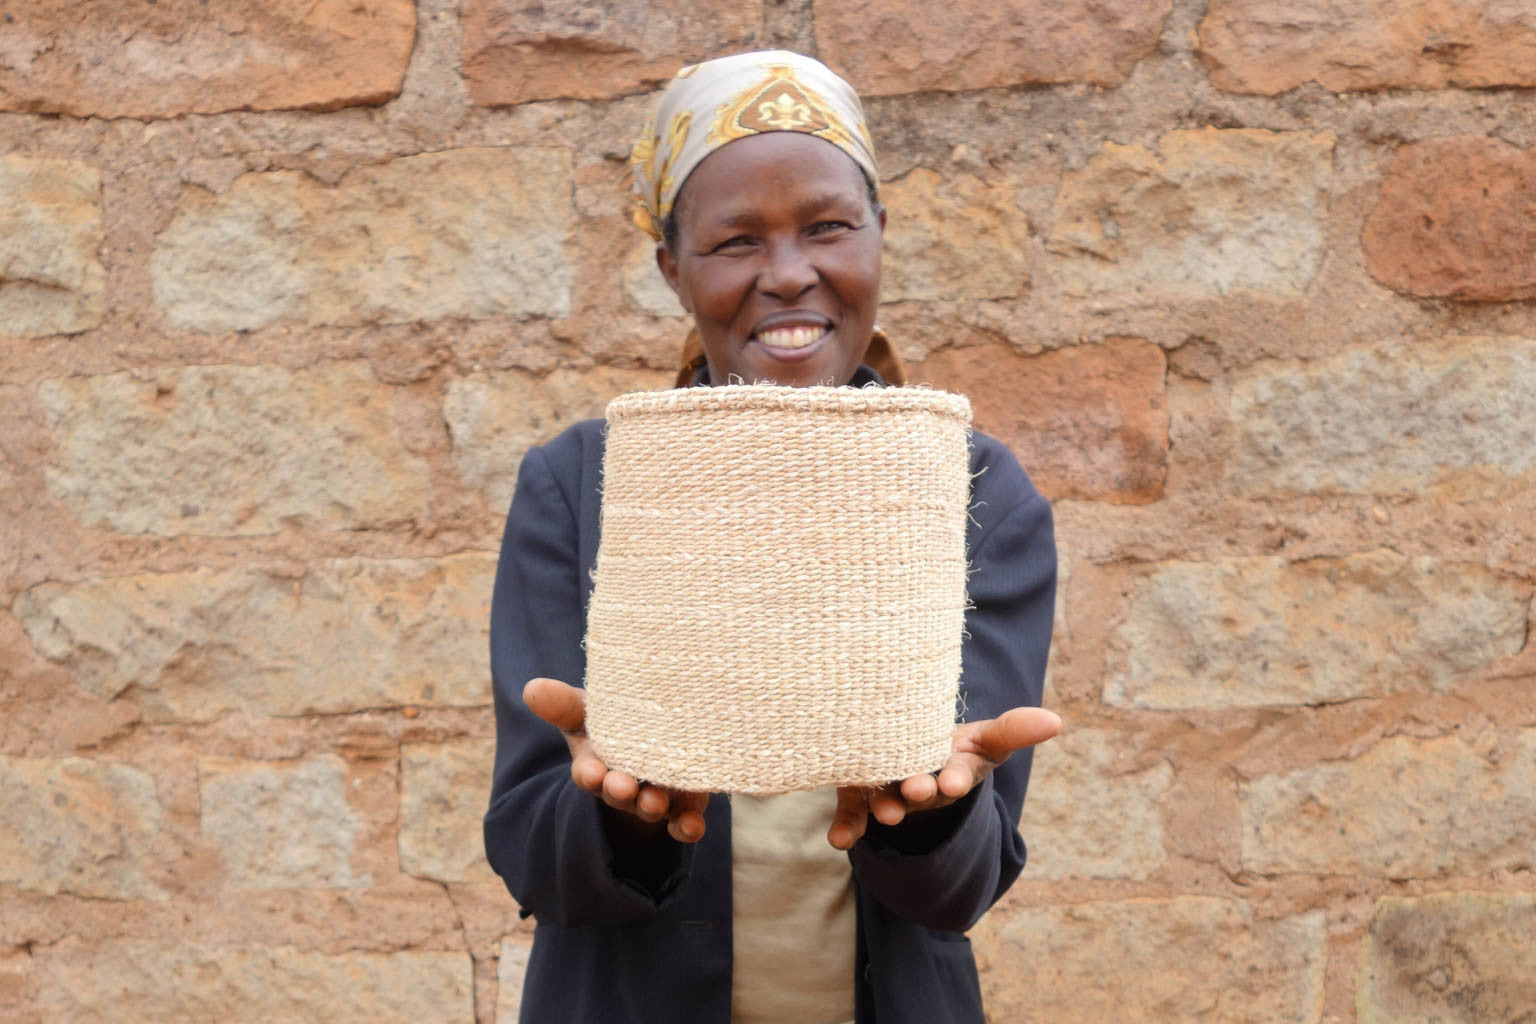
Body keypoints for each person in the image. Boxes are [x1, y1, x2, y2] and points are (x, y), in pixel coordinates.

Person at [483, 50, 1059, 1024]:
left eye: (829, 227)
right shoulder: (584, 489)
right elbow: (530, 851)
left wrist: (933, 810)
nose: (790, 275)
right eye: (736, 241)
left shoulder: (975, 493)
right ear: (673, 268)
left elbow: (961, 889)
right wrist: (622, 818)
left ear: (880, 233)